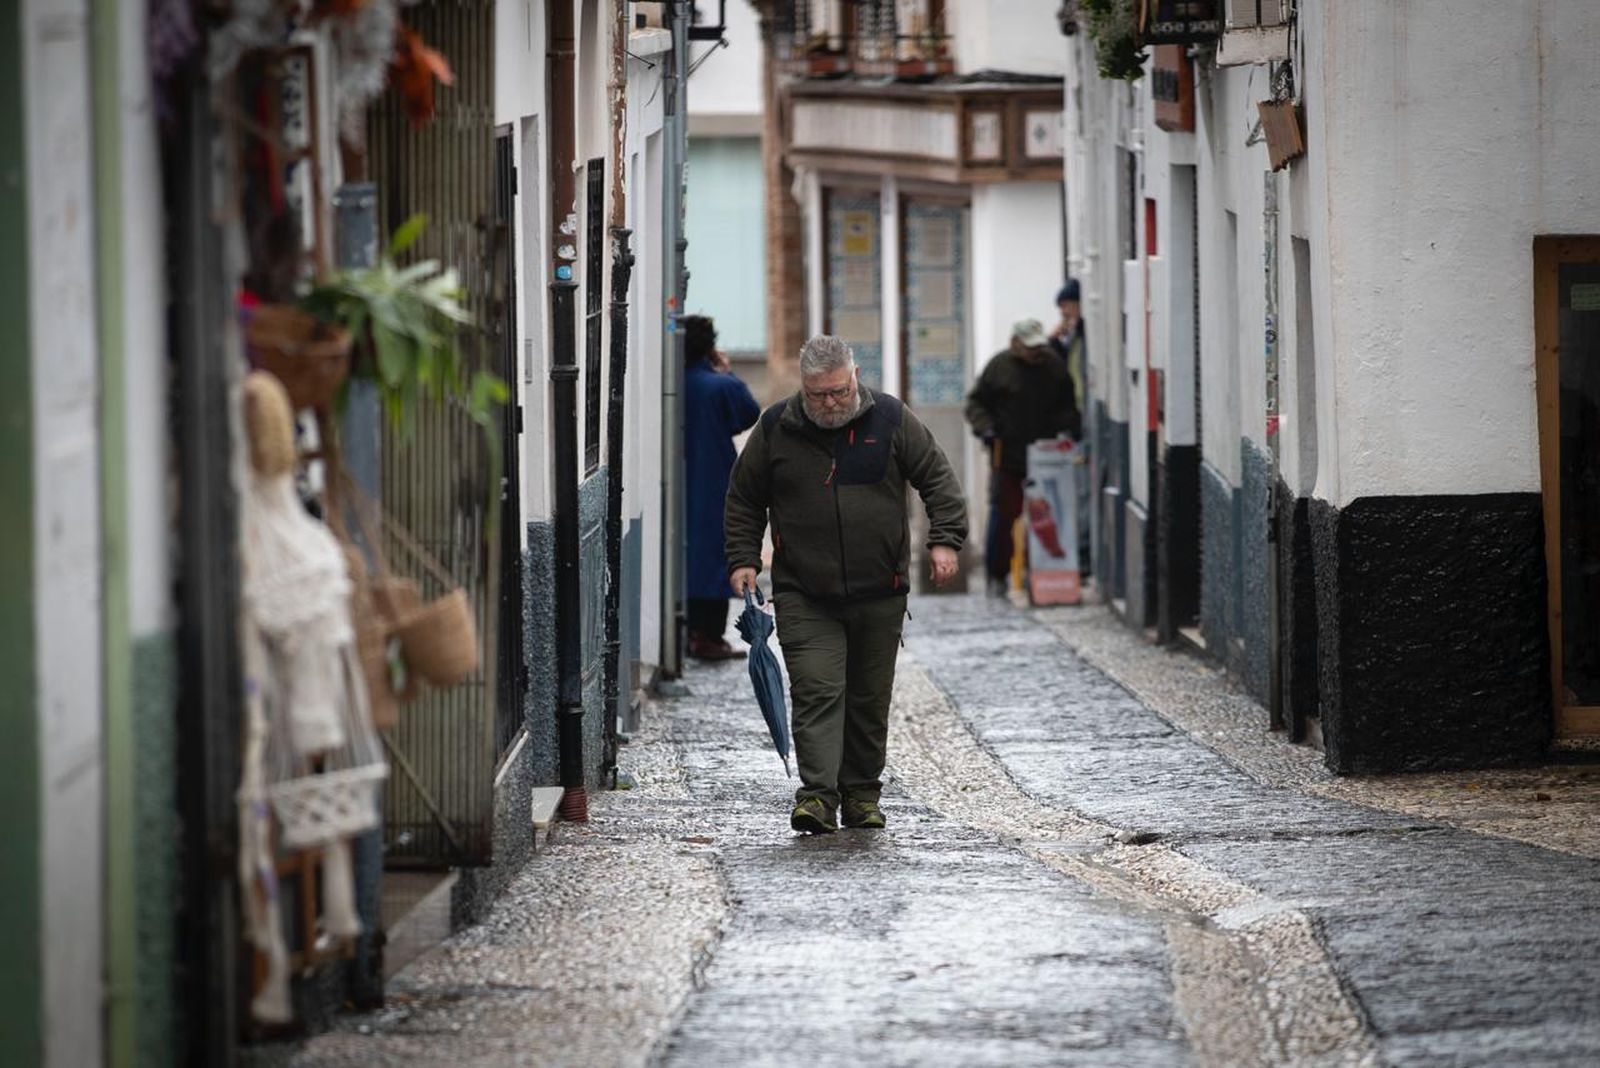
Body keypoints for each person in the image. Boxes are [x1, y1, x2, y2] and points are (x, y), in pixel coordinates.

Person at [726, 335, 967, 834]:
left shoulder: (892, 420)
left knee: (867, 698)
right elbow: (744, 498)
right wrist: (744, 558)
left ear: (854, 377)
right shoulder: (777, 428)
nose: (830, 403)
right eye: (819, 395)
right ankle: (817, 796)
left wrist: (945, 540)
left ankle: (861, 795)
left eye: (838, 391)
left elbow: (937, 479)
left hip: (881, 589)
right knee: (817, 689)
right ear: (803, 386)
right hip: (803, 591)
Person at [965, 318, 1082, 593]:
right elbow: (975, 404)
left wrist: (1068, 430)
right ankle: (997, 576)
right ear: (1015, 344)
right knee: (1004, 515)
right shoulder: (999, 367)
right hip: (1007, 455)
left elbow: (1068, 406)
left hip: (1046, 455)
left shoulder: (1054, 366)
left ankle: (1041, 574)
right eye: (1029, 347)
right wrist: (986, 429)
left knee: (1046, 515)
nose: (1035, 352)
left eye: (1038, 346)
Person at [683, 315, 761, 660]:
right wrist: (726, 371)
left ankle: (684, 632)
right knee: (713, 552)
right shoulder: (718, 386)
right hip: (712, 477)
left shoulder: (669, 383)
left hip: (681, 479)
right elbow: (747, 413)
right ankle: (708, 634)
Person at [1049, 279, 1092, 573]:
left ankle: (1083, 552)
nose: (1064, 314)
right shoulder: (1072, 337)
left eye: (1067, 307)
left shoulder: (1085, 334)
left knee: (1082, 491)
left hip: (1082, 417)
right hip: (1075, 418)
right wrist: (1054, 342)